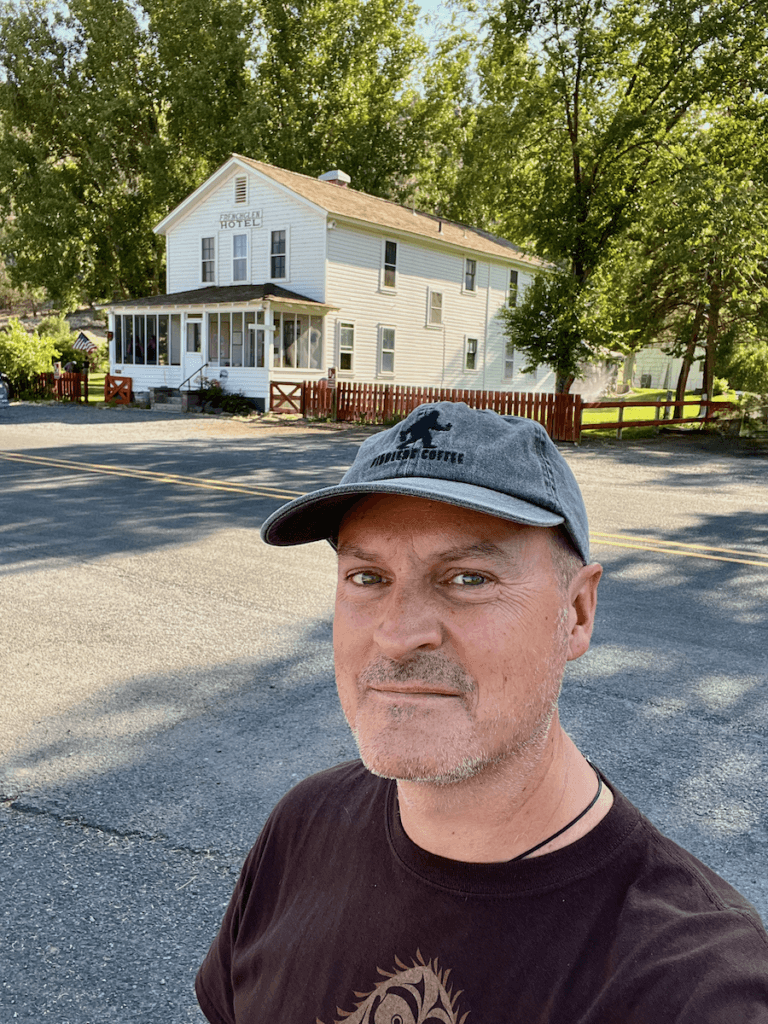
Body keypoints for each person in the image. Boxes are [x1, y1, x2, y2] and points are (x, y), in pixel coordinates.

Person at [196, 402, 768, 1024]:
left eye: (468, 579)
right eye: (367, 576)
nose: (397, 634)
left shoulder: (691, 985)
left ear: (575, 614)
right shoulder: (304, 826)